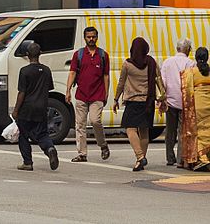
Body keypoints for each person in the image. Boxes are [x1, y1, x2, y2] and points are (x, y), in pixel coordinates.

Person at [113, 35, 165, 171]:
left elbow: (121, 83)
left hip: (133, 101)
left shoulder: (128, 64)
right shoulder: (151, 62)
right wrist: (163, 98)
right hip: (148, 101)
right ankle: (141, 159)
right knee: (144, 131)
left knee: (130, 128)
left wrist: (115, 99)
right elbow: (159, 80)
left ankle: (140, 157)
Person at [12, 41, 59, 172]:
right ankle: (50, 148)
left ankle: (27, 162)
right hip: (42, 107)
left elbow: (22, 92)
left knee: (24, 135)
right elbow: (49, 89)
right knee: (42, 133)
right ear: (40, 54)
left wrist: (16, 110)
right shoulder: (46, 70)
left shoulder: (24, 71)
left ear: (27, 55)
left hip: (27, 108)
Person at [66, 25, 110, 162]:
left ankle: (103, 145)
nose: (91, 39)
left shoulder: (103, 55)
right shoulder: (78, 55)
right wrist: (67, 91)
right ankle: (82, 153)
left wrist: (106, 93)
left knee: (96, 121)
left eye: (93, 37)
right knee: (80, 125)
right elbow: (72, 72)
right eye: (88, 37)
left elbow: (106, 76)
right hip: (81, 95)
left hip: (97, 94)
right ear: (84, 38)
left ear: (97, 38)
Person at [159, 39, 195, 167]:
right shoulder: (190, 63)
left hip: (170, 101)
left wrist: (162, 99)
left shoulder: (167, 62)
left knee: (170, 130)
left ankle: (170, 157)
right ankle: (181, 159)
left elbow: (162, 82)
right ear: (187, 49)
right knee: (182, 131)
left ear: (177, 48)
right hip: (185, 102)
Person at [180, 47, 210, 170]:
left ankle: (201, 158)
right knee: (208, 131)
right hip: (209, 104)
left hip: (197, 104)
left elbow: (186, 90)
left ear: (196, 58)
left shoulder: (191, 72)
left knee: (198, 132)